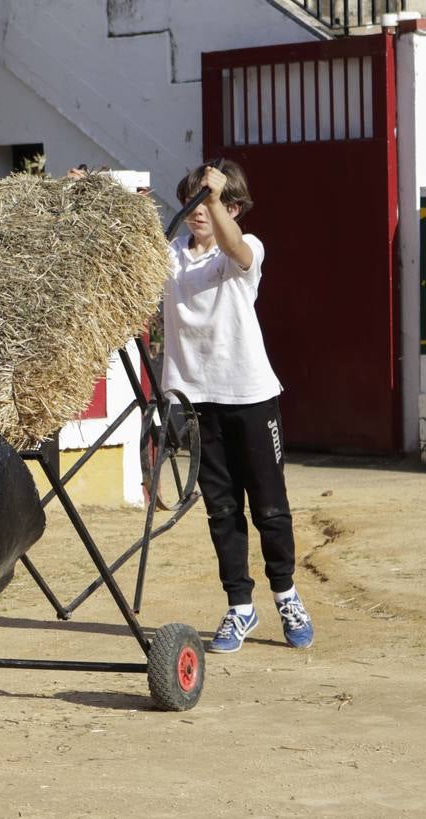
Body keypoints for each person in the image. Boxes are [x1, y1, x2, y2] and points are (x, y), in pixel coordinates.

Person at [161, 161, 314, 654]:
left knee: (269, 505)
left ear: (231, 207)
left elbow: (235, 247)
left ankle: (286, 594)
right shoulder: (169, 257)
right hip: (195, 398)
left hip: (249, 394)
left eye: (209, 202)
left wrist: (217, 193)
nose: (197, 211)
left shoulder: (243, 251)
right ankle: (240, 606)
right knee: (221, 508)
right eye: (192, 201)